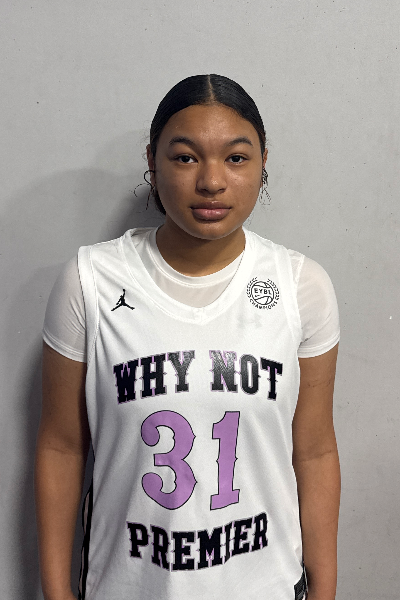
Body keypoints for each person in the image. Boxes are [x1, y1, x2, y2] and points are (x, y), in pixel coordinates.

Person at [35, 74, 340, 600]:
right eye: (185, 157)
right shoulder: (91, 281)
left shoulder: (300, 286)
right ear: (152, 163)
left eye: (236, 158)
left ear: (263, 162)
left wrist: (325, 587)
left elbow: (313, 452)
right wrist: (57, 592)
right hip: (129, 586)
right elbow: (62, 447)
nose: (212, 181)